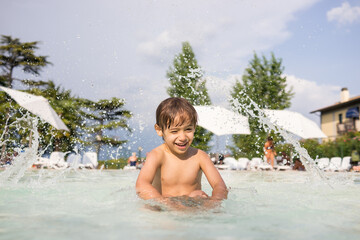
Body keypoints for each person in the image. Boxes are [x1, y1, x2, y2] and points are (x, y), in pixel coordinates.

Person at [136, 97, 228, 209]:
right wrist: (163, 202)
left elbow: (219, 185)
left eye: (188, 129)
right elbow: (142, 185)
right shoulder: (156, 156)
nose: (183, 137)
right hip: (164, 207)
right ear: (159, 130)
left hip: (192, 206)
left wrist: (214, 202)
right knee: (152, 206)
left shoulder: (200, 156)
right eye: (174, 131)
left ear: (194, 127)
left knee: (197, 195)